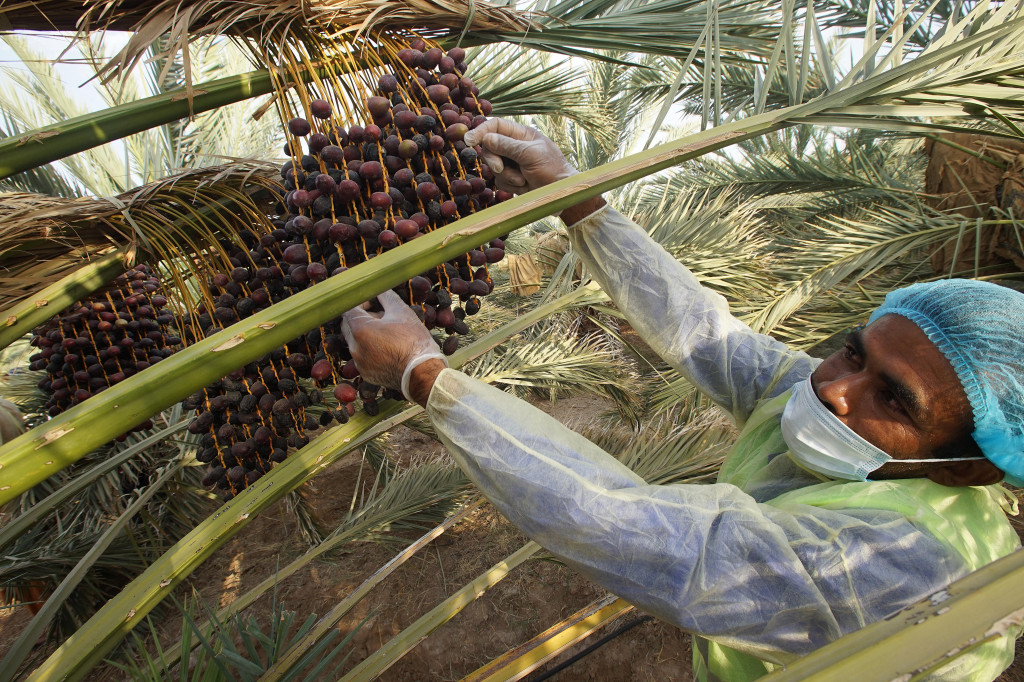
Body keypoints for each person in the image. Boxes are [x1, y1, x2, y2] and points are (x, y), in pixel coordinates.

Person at [342, 119, 1024, 681]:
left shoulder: (906, 568)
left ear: (968, 468)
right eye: (854, 352)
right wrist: (574, 195)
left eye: (895, 401)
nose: (836, 392)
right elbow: (706, 334)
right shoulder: (824, 394)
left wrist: (423, 376)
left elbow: (638, 533)